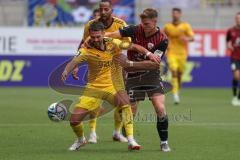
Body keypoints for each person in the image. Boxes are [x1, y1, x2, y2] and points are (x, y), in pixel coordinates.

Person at [62, 21, 160, 151]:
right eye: (93, 37)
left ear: (103, 33)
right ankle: (81, 140)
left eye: (98, 36)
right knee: (74, 121)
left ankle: (131, 139)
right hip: (93, 88)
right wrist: (66, 71)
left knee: (126, 105)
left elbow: (134, 46)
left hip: (111, 86)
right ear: (89, 35)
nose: (96, 39)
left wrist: (149, 54)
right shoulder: (85, 50)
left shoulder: (112, 42)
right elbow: (74, 61)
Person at [105, 8, 171, 152]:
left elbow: (154, 63)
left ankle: (164, 142)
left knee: (160, 108)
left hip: (151, 75)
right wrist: (104, 37)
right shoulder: (135, 29)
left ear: (154, 22)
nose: (143, 26)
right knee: (131, 111)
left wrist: (130, 64)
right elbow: (113, 34)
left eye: (146, 24)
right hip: (133, 77)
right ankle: (129, 136)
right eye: (142, 23)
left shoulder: (162, 39)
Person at [71, 0, 131, 144]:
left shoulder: (121, 24)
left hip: (116, 65)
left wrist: (112, 38)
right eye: (100, 10)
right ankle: (92, 133)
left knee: (122, 103)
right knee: (94, 99)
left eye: (106, 9)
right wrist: (76, 64)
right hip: (98, 66)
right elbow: (83, 43)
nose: (103, 12)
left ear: (111, 10)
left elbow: (128, 44)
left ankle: (117, 132)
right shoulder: (91, 25)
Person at [164, 8, 194, 104]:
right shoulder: (167, 26)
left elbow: (192, 38)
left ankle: (177, 89)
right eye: (173, 13)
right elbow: (162, 38)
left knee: (180, 74)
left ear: (180, 14)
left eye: (177, 13)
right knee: (174, 72)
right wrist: (165, 46)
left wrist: (187, 39)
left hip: (182, 54)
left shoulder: (185, 26)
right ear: (171, 15)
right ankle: (175, 94)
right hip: (171, 53)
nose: (175, 15)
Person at [226, 12, 240, 106]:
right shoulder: (230, 30)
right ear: (235, 19)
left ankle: (239, 98)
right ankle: (234, 96)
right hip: (235, 57)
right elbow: (228, 42)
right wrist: (230, 46)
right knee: (236, 76)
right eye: (237, 18)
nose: (239, 20)